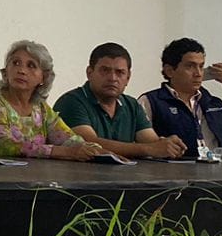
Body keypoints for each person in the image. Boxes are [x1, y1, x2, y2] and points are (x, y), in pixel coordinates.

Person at [0, 40, 103, 160]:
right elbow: (3, 145)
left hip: (29, 176)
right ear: (5, 72)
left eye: (31, 65)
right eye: (15, 63)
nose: (21, 70)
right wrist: (63, 152)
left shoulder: (41, 108)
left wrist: (96, 151)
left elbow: (70, 140)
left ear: (43, 78)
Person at [53, 42, 187, 160]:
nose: (112, 78)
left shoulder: (132, 105)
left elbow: (152, 142)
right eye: (105, 70)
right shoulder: (71, 102)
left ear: (128, 78)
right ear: (89, 73)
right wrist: (149, 149)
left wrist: (167, 145)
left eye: (120, 72)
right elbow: (89, 144)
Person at [138, 38, 222, 158]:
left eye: (201, 66)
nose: (198, 73)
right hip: (172, 169)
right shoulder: (151, 101)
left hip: (212, 168)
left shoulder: (213, 103)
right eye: (190, 66)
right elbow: (141, 145)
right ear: (170, 71)